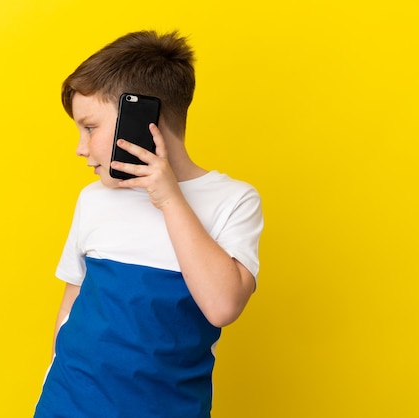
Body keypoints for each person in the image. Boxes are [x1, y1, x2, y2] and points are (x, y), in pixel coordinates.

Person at [34, 30, 263, 418]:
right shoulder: (95, 199)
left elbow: (222, 306)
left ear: (142, 120)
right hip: (67, 403)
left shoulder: (234, 201)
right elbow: (73, 299)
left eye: (90, 128)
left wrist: (169, 198)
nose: (80, 147)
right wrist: (50, 383)